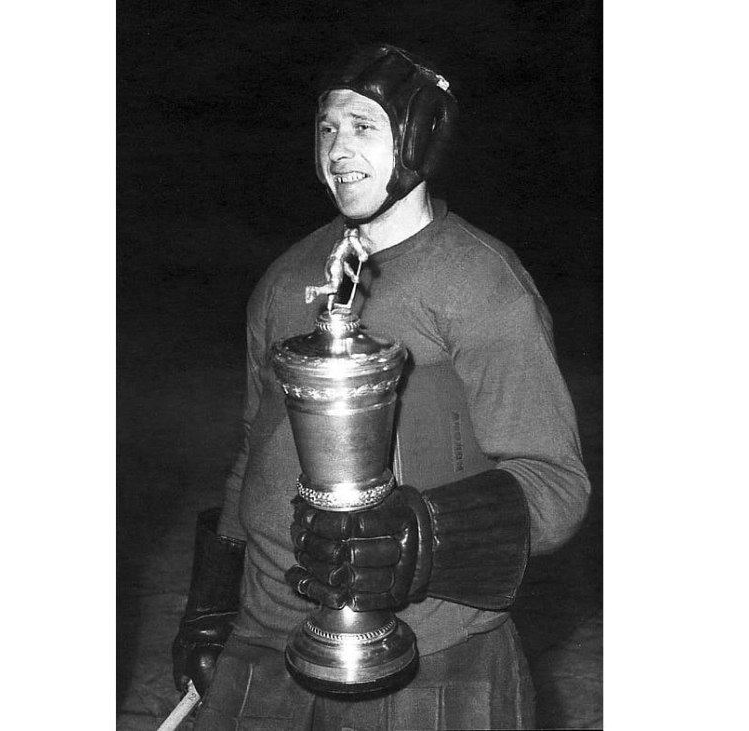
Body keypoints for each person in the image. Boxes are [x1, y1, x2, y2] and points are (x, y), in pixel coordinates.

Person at [172, 44, 591, 729]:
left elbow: (555, 484)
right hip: (264, 642)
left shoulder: (480, 280)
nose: (338, 149)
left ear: (419, 140)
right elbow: (255, 447)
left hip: (429, 652)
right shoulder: (287, 275)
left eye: (364, 127)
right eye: (328, 128)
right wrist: (211, 606)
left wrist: (418, 541)